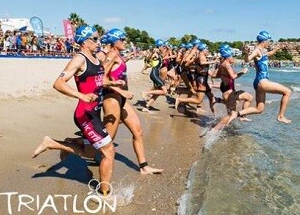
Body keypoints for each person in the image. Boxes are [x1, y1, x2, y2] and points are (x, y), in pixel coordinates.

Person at [32, 25, 124, 195]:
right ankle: (105, 194)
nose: (99, 42)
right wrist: (80, 95)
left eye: (99, 38)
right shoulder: (79, 59)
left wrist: (113, 84)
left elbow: (97, 81)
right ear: (84, 41)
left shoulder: (95, 58)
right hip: (85, 114)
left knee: (89, 152)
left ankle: (52, 143)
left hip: (94, 111)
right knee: (109, 151)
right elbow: (58, 83)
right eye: (94, 39)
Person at [100, 28, 163, 174]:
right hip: (112, 99)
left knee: (138, 131)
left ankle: (144, 167)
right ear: (114, 41)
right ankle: (65, 145)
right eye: (122, 39)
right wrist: (120, 89)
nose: (125, 41)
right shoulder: (112, 54)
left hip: (121, 100)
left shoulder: (117, 55)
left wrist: (126, 59)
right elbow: (100, 78)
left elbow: (115, 70)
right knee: (106, 139)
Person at [228, 31, 292, 124]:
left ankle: (236, 114)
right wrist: (246, 53)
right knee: (287, 92)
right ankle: (281, 116)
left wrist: (277, 48)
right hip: (262, 82)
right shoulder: (257, 50)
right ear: (264, 41)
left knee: (259, 109)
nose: (269, 43)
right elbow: (247, 59)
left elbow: (268, 54)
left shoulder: (263, 51)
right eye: (268, 41)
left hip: (259, 82)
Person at [211, 46, 253, 131]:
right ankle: (215, 129)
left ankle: (242, 116)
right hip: (229, 93)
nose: (233, 58)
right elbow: (233, 77)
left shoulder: (222, 64)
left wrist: (211, 74)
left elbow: (215, 75)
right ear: (228, 57)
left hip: (228, 91)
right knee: (231, 115)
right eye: (232, 56)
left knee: (248, 98)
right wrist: (242, 72)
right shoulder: (226, 65)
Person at [175, 42, 218, 114]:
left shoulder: (200, 55)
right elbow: (200, 62)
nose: (208, 51)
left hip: (201, 78)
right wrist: (213, 61)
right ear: (203, 49)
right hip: (198, 78)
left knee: (210, 96)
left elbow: (202, 63)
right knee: (197, 97)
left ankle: (213, 112)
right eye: (207, 49)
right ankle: (180, 99)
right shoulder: (198, 55)